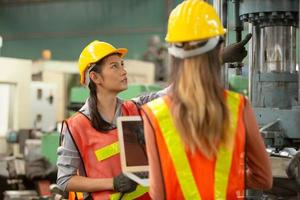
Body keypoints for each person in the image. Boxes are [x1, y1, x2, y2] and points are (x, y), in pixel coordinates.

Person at [141, 0, 272, 199]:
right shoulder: (238, 106)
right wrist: (230, 177)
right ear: (219, 48)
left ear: (173, 52)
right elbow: (263, 178)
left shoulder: (154, 114)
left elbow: (158, 193)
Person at [56, 41, 164, 200]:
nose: (124, 71)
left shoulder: (133, 108)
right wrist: (113, 183)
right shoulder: (76, 126)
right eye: (115, 66)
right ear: (95, 77)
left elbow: (172, 92)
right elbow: (65, 180)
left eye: (122, 64)